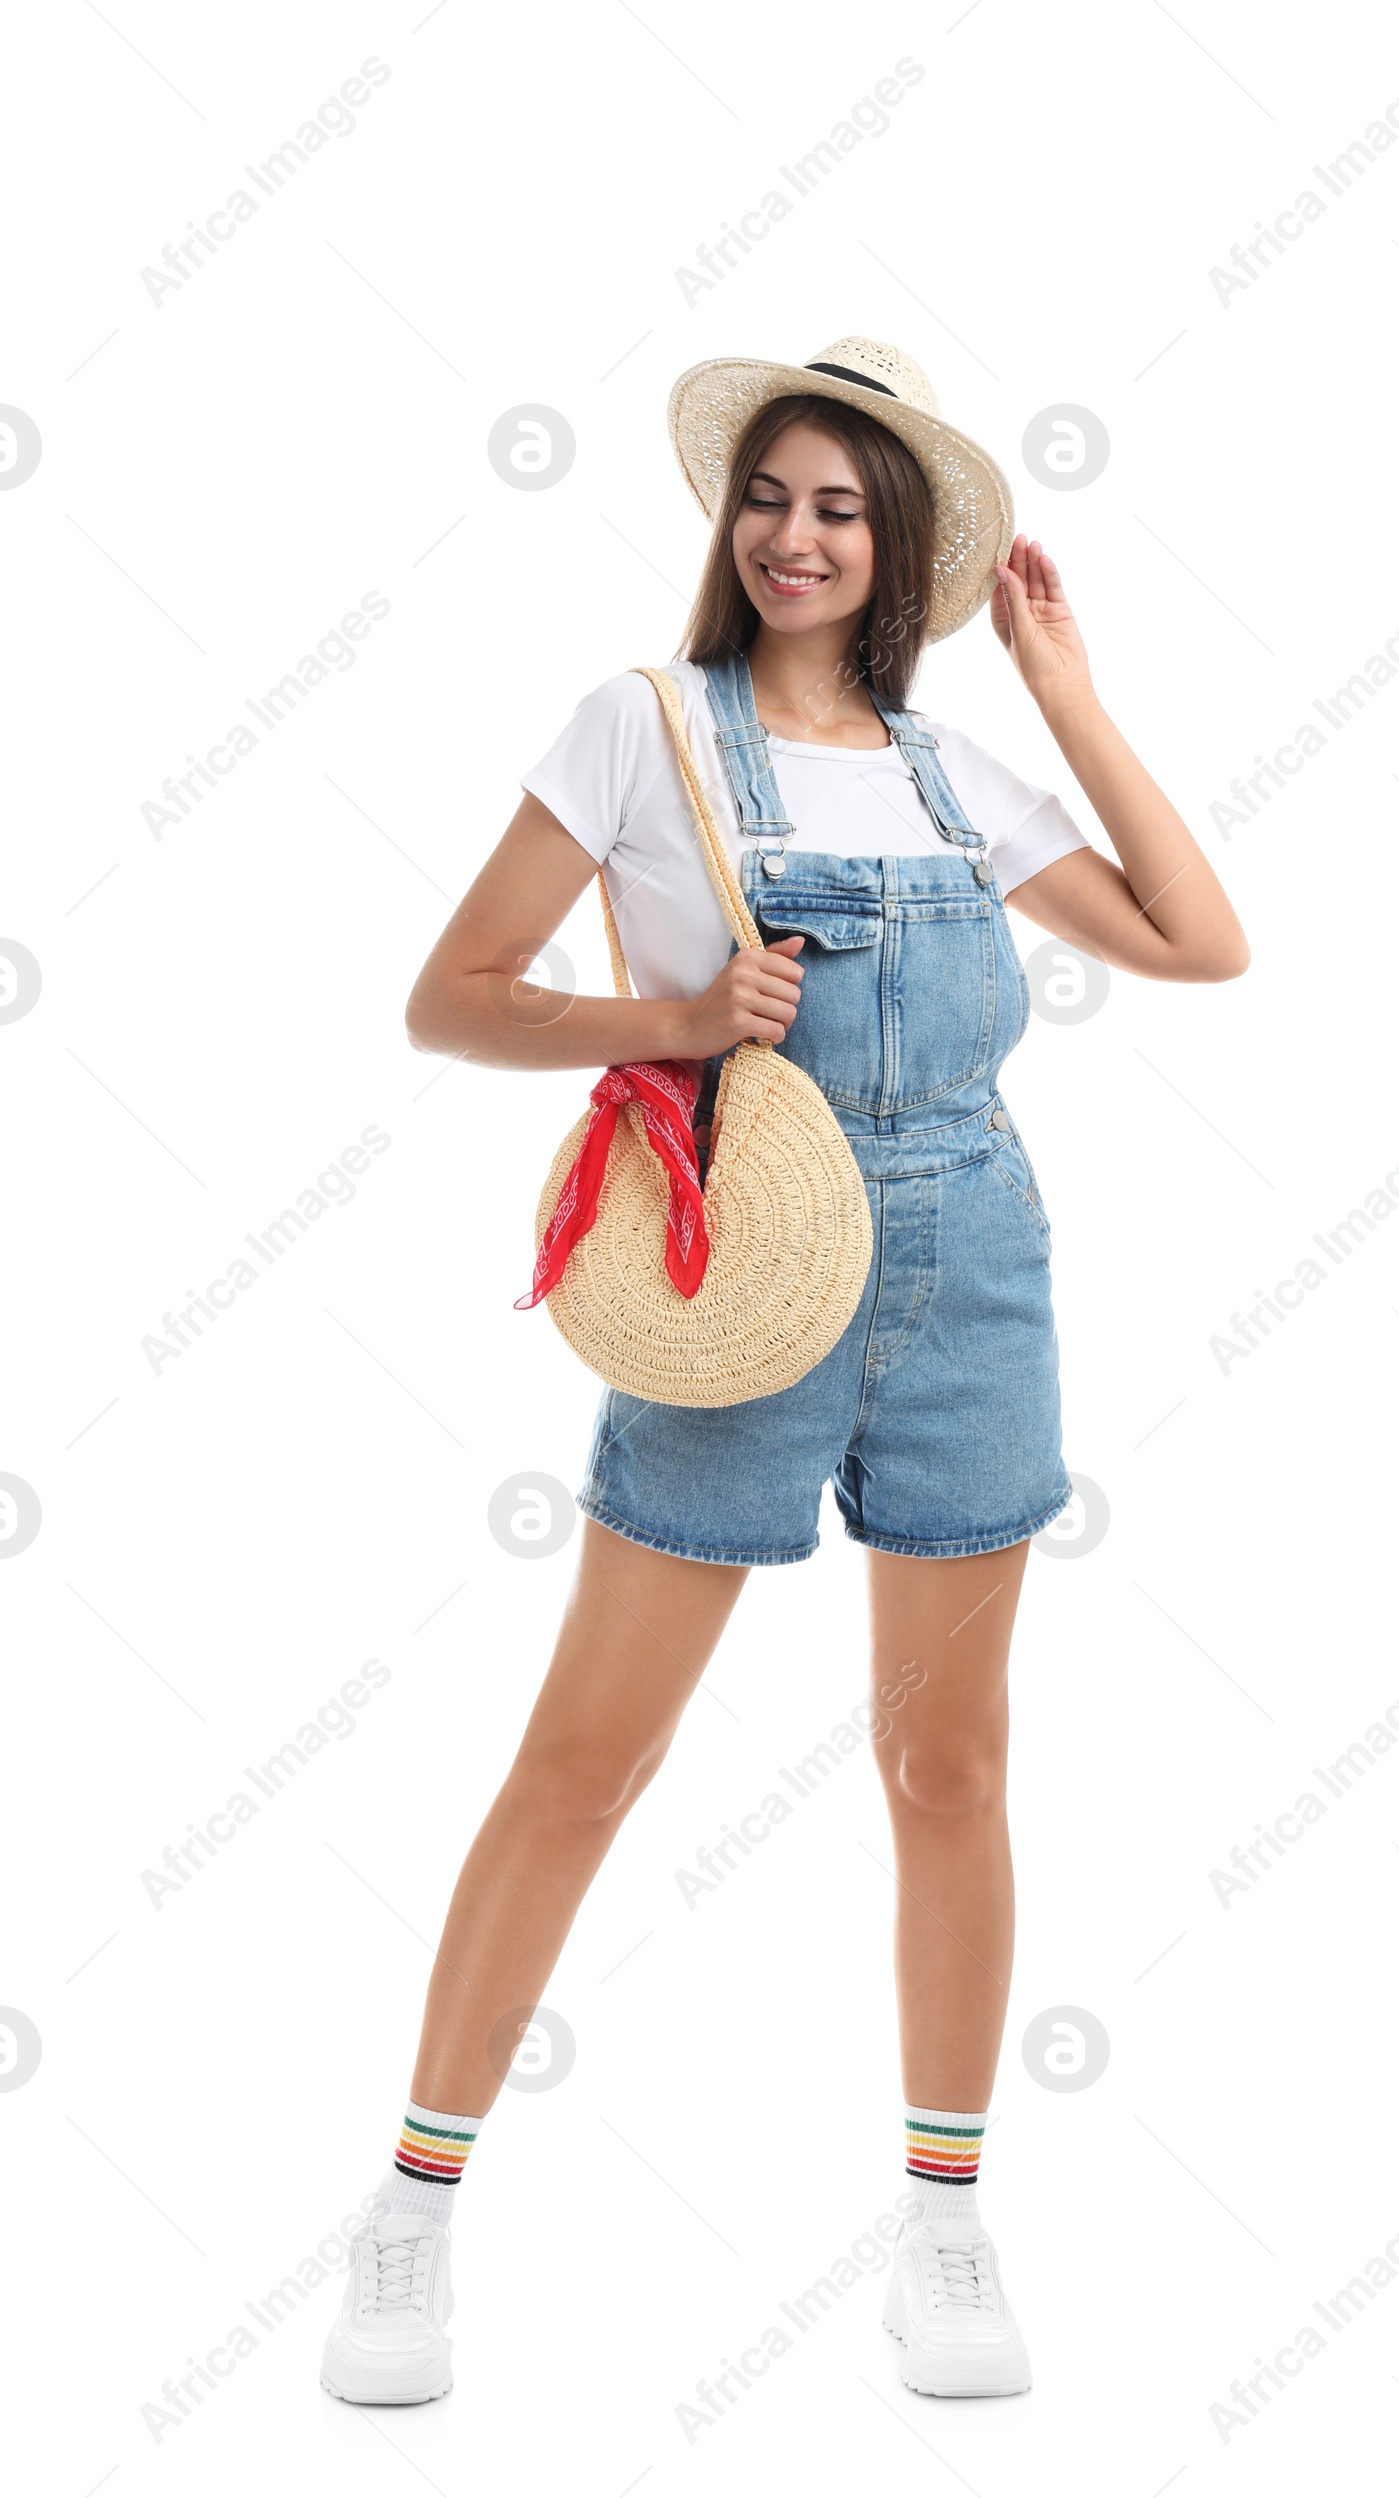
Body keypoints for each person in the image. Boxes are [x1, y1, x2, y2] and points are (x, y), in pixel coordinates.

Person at [319, 336, 1249, 2408]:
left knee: (948, 1768)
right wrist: (660, 1017)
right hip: (745, 1279)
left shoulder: (948, 771)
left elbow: (1198, 942)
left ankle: (940, 2220)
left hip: (970, 1280)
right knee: (587, 1763)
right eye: (769, 497)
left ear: (897, 546)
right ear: (725, 525)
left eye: (841, 505)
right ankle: (408, 2213)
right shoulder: (640, 728)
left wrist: (1067, 695)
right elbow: (448, 998)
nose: (796, 534)